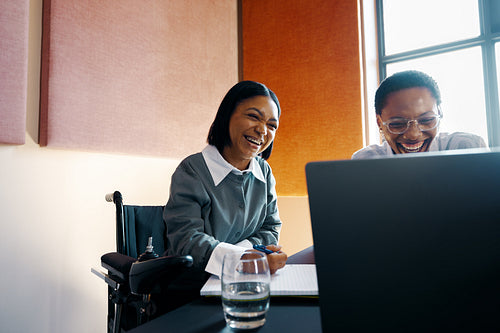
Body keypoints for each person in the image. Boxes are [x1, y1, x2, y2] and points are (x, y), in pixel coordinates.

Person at [162, 80, 288, 306]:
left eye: (272, 125)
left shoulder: (264, 172)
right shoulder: (191, 171)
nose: (262, 130)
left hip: (244, 288)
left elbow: (270, 228)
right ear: (227, 115)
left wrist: (246, 259)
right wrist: (244, 260)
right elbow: (187, 241)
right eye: (253, 116)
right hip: (191, 294)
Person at [352, 70, 487, 159]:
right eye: (398, 124)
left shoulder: (468, 146)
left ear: (439, 113)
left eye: (426, 120)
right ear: (379, 123)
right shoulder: (365, 160)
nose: (413, 135)